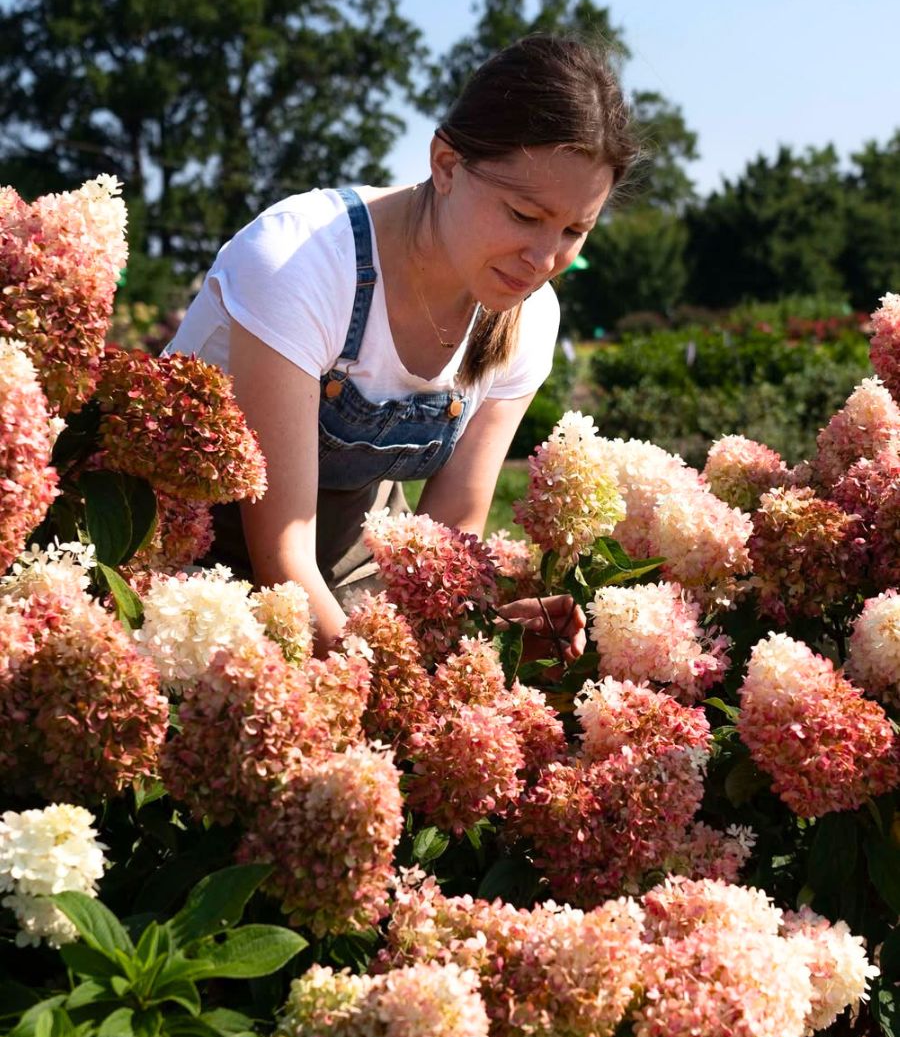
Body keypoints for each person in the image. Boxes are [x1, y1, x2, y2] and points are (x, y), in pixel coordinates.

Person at [167, 34, 638, 656]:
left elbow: (450, 540)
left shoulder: (527, 316)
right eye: (524, 215)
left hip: (333, 569)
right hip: (176, 556)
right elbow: (281, 557)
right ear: (446, 164)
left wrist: (486, 638)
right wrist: (396, 683)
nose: (544, 259)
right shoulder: (300, 264)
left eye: (576, 229)